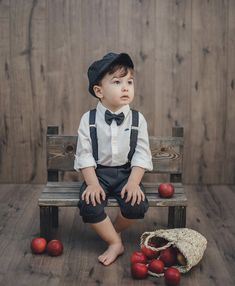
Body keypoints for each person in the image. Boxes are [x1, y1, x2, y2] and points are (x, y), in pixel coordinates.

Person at [74, 52, 153, 266]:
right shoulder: (88, 120)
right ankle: (115, 242)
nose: (126, 87)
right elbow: (84, 154)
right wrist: (92, 184)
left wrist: (134, 182)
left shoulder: (138, 119)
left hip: (127, 174)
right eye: (117, 82)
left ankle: (113, 232)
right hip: (97, 174)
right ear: (99, 91)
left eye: (129, 81)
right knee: (89, 204)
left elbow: (142, 153)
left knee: (136, 205)